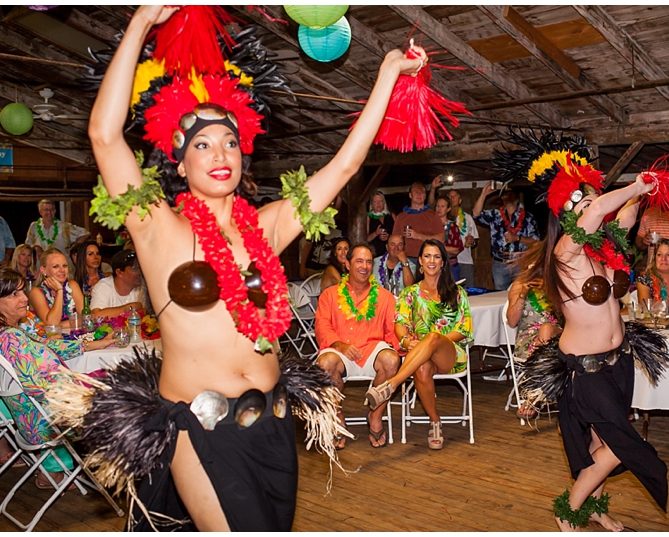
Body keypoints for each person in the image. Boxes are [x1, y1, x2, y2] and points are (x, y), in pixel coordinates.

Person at [77, 5, 426, 531]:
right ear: (179, 160)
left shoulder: (266, 226)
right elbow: (105, 136)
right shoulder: (156, 226)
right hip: (198, 426)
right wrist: (143, 21)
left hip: (272, 423)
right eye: (202, 144)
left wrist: (385, 75)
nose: (220, 153)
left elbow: (346, 164)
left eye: (229, 142)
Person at [494, 128, 669, 531]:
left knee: (601, 446)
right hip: (585, 371)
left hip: (619, 363)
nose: (596, 211)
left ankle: (594, 508)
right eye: (588, 204)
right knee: (620, 447)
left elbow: (622, 217)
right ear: (570, 213)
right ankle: (569, 508)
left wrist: (643, 193)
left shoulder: (601, 248)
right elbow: (598, 212)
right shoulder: (565, 254)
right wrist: (632, 186)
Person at [0, 268, 113, 489]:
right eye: (13, 294)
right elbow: (39, 388)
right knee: (119, 398)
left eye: (22, 292)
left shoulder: (1, 332)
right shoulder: (11, 339)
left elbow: (45, 346)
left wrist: (89, 345)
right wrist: (85, 386)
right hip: (45, 421)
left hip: (32, 417)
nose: (24, 299)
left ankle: (56, 471)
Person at [365, 239, 472, 450]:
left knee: (432, 338)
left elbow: (463, 329)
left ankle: (392, 384)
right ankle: (435, 421)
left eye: (437, 256)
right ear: (420, 262)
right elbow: (401, 324)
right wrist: (405, 340)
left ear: (443, 262)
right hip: (418, 357)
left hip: (450, 354)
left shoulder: (457, 293)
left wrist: (434, 342)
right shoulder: (409, 294)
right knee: (422, 368)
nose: (432, 260)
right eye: (427, 256)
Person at [315, 243, 400, 449]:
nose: (364, 266)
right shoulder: (330, 295)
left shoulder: (385, 297)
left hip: (372, 350)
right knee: (325, 362)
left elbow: (392, 333)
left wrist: (399, 347)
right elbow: (322, 326)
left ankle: (375, 416)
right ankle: (336, 417)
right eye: (359, 261)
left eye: (369, 261)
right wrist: (340, 345)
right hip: (340, 350)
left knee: (391, 359)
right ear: (347, 264)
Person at [506, 276, 561, 421]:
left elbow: (570, 316)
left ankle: (534, 394)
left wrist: (550, 290)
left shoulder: (559, 281)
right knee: (545, 330)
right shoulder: (519, 284)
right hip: (528, 340)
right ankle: (539, 392)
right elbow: (512, 321)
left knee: (547, 328)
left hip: (560, 335)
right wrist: (523, 294)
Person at [473, 182, 539, 291]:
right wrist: (483, 194)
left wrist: (517, 238)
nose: (508, 197)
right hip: (500, 264)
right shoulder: (495, 215)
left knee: (520, 293)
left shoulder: (528, 217)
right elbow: (476, 214)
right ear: (502, 198)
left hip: (520, 262)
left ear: (517, 198)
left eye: (511, 194)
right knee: (500, 295)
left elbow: (535, 240)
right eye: (505, 194)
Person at [428, 177, 480, 286]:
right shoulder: (432, 223)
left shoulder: (464, 219)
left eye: (454, 196)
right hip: (439, 265)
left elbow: (462, 247)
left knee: (466, 291)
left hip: (461, 261)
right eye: (449, 197)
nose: (451, 198)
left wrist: (473, 242)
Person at [25, 199, 90, 276]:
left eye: (52, 210)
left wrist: (72, 247)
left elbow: (86, 233)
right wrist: (36, 247)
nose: (49, 212)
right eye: (46, 210)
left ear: (55, 211)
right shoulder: (34, 226)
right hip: (43, 268)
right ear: (40, 212)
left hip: (63, 268)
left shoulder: (64, 226)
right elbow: (27, 245)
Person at [28, 248, 84, 328]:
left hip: (75, 336)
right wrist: (59, 290)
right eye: (55, 266)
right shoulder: (36, 292)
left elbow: (87, 319)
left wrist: (60, 325)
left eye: (64, 266)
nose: (62, 270)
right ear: (44, 270)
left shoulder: (72, 285)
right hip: (47, 339)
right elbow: (52, 323)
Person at [393, 182, 445, 262]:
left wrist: (418, 236)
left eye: (422, 192)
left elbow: (441, 238)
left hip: (428, 259)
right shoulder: (401, 216)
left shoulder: (433, 215)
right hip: (406, 259)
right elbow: (394, 240)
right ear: (410, 195)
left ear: (425, 196)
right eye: (416, 192)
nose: (419, 194)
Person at [90, 250, 149, 318]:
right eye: (134, 269)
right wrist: (131, 307)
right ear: (119, 272)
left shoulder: (145, 286)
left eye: (140, 268)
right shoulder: (103, 287)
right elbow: (96, 316)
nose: (140, 272)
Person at [435, 195, 463, 281]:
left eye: (442, 206)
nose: (439, 209)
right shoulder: (430, 226)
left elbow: (456, 250)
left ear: (448, 209)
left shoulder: (452, 226)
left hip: (450, 267)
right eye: (437, 206)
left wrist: (437, 247)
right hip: (434, 267)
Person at [366, 191, 394, 257]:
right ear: (372, 204)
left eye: (380, 201)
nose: (378, 203)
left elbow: (399, 235)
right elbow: (365, 239)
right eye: (375, 201)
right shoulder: (368, 218)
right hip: (375, 254)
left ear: (384, 203)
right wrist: (376, 233)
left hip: (391, 254)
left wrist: (389, 237)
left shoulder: (391, 216)